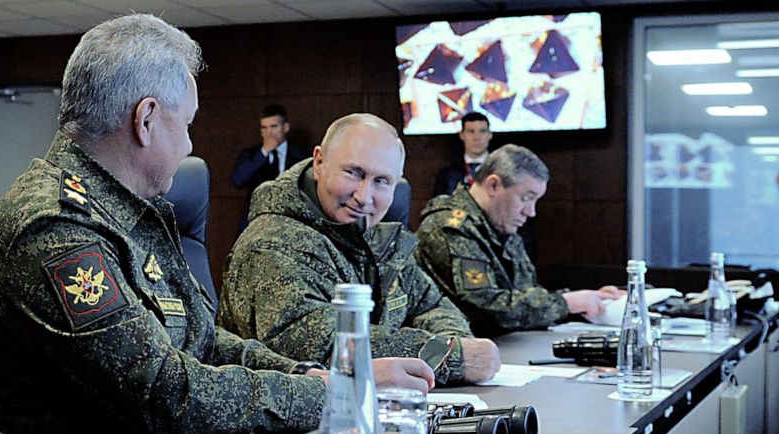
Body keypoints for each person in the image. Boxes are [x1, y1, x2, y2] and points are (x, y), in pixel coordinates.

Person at [0, 15, 433, 434]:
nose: (188, 146)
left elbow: (204, 341)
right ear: (146, 120)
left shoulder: (133, 210)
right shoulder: (54, 228)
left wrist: (314, 379)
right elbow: (166, 394)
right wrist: (336, 395)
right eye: (186, 125)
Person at [217, 113, 500, 386]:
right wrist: (451, 355)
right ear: (318, 162)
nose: (364, 197)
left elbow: (431, 304)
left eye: (381, 181)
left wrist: (455, 344)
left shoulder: (371, 235)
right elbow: (318, 346)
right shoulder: (271, 244)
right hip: (298, 430)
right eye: (353, 173)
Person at [416, 144, 622, 337]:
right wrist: (565, 303)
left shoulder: (499, 224)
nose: (530, 212)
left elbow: (523, 295)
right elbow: (487, 307)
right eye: (525, 198)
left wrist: (586, 302)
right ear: (493, 185)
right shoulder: (449, 226)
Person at [230, 104, 309, 232]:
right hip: (256, 222)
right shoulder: (252, 154)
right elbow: (238, 180)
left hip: (289, 223)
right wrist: (263, 152)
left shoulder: (301, 156)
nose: (268, 133)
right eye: (264, 128)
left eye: (273, 127)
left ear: (285, 127)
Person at [433, 111, 492, 197]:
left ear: (490, 135)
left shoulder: (500, 170)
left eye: (482, 131)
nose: (477, 137)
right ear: (462, 135)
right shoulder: (447, 173)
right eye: (471, 131)